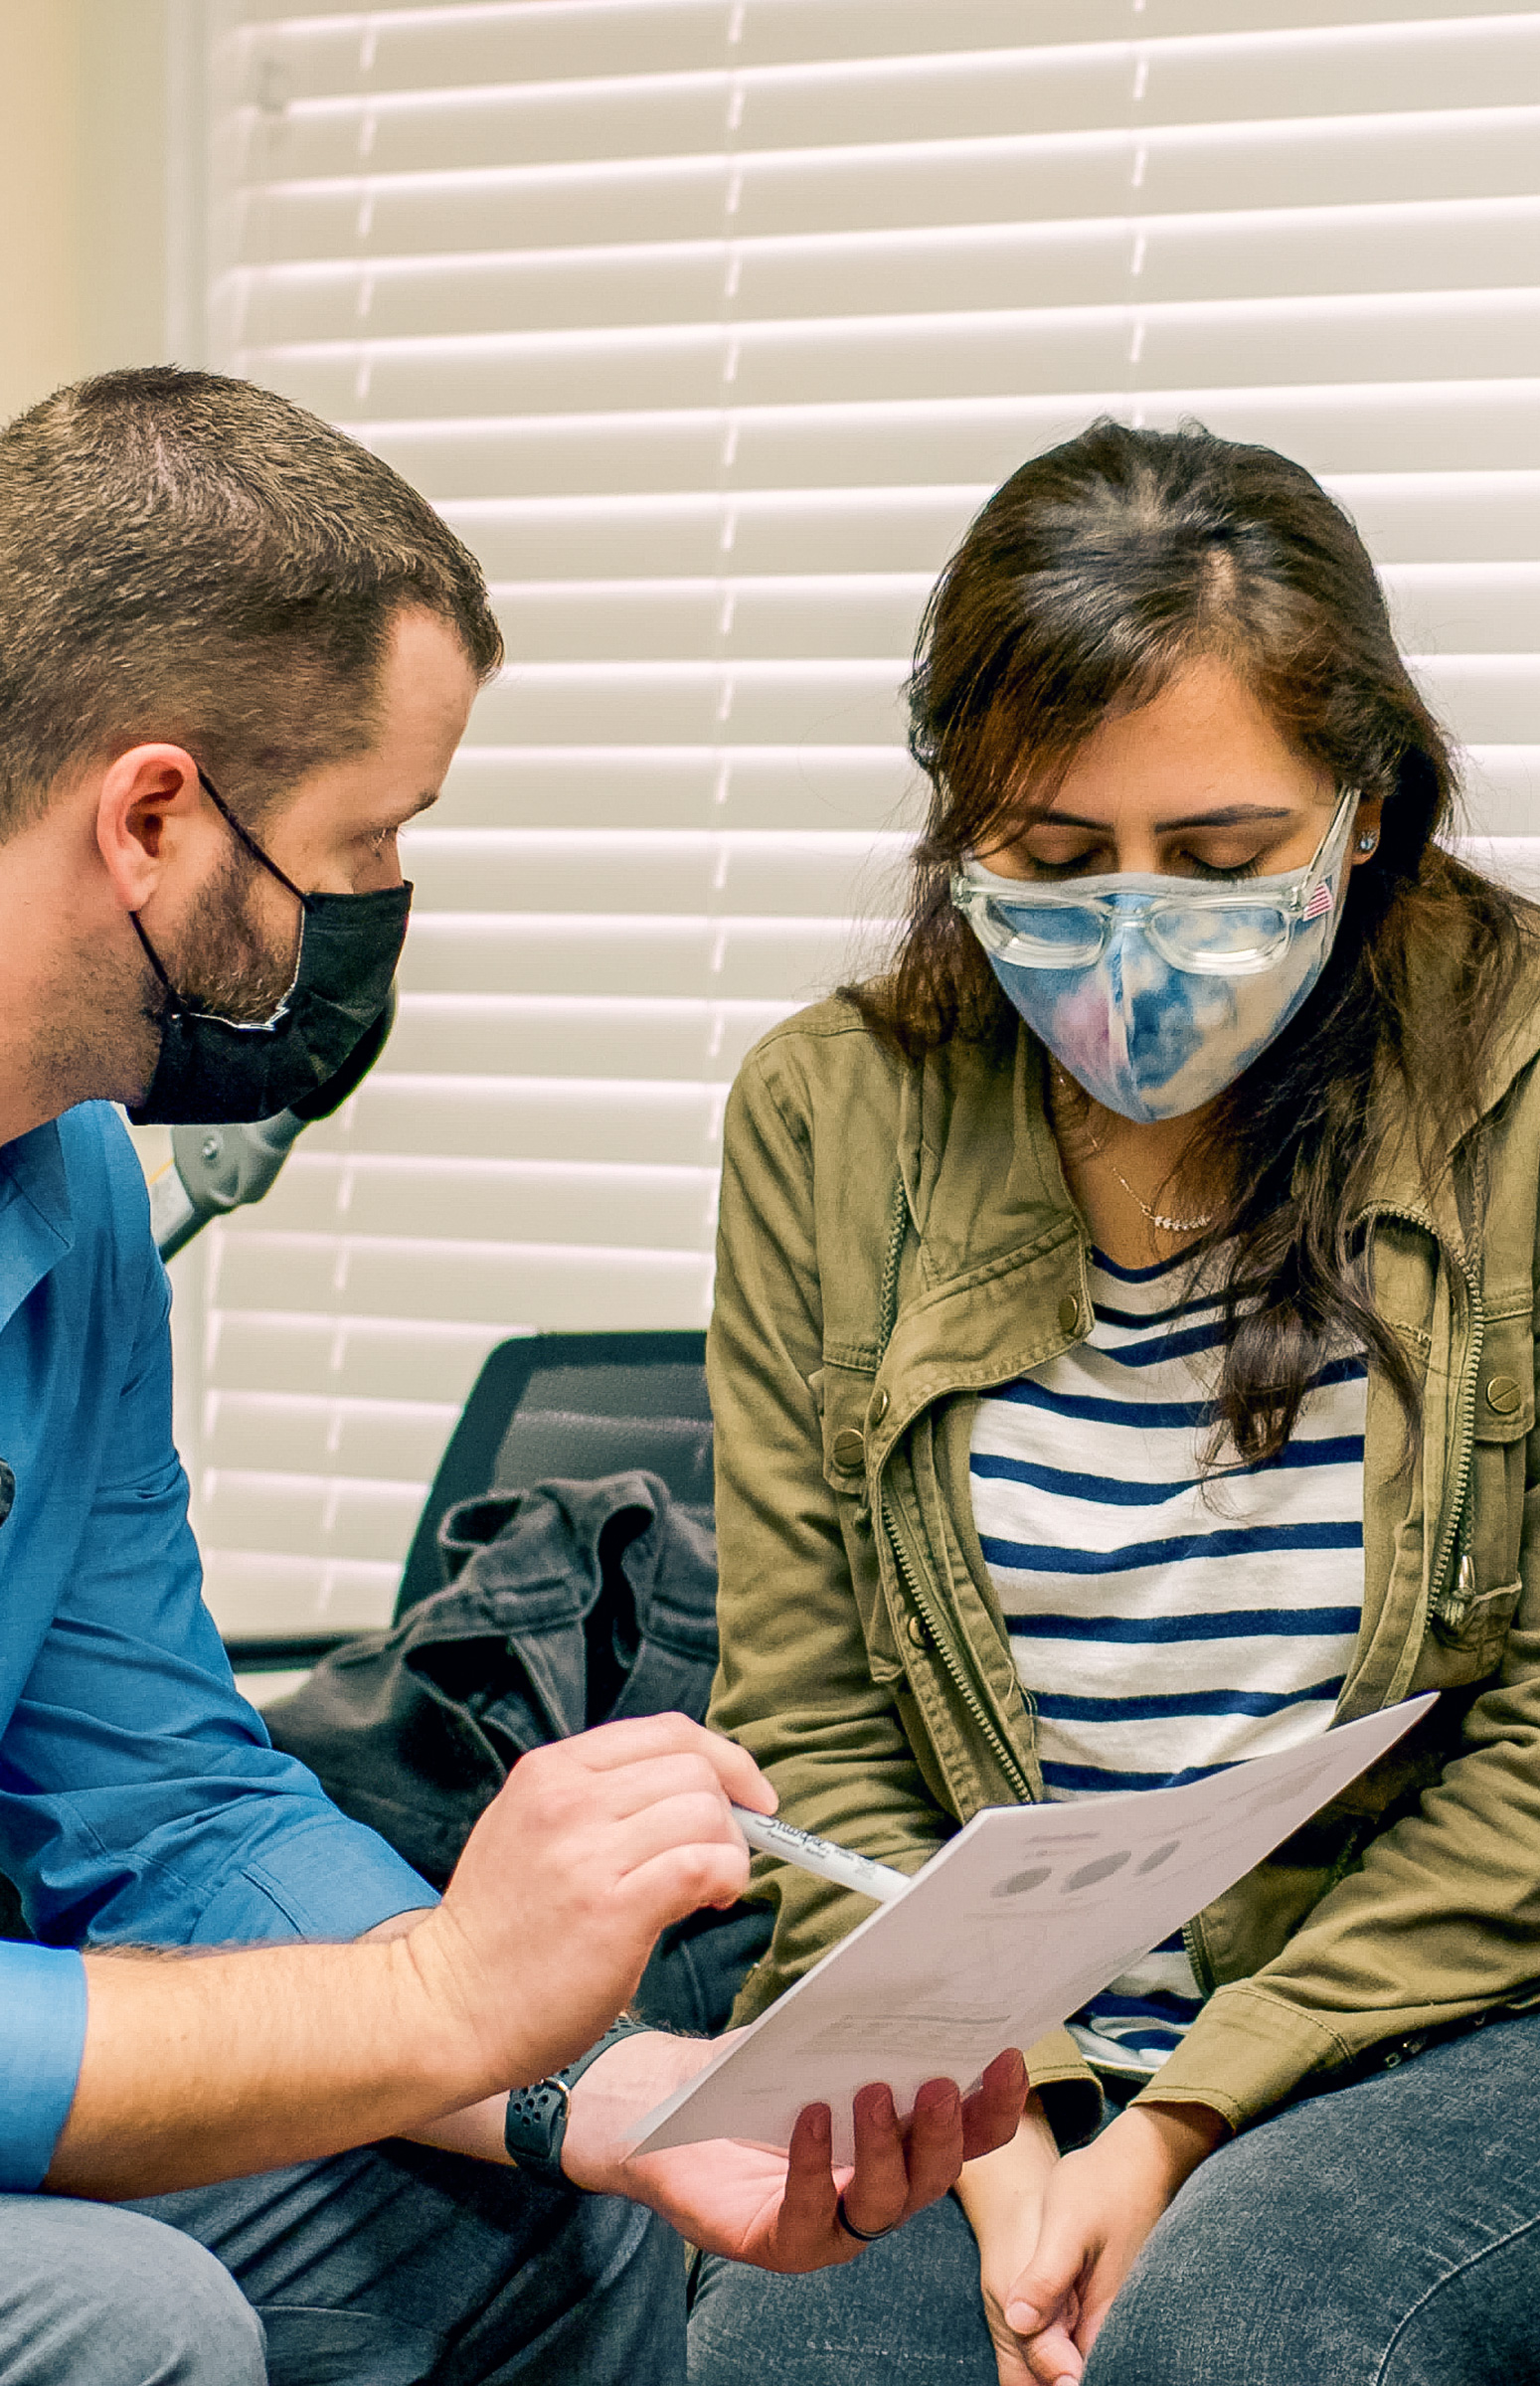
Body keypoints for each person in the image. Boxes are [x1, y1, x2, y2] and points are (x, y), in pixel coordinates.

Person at [684, 418, 1540, 2386]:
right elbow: (810, 1719)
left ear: (1365, 806)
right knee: (799, 2348)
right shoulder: (826, 1107)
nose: (1134, 925)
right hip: (1010, 2031)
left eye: (1219, 860)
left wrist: (1189, 2114)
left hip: (1514, 1989)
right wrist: (1008, 2120)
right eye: (1051, 860)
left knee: (1247, 2333)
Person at [0, 367, 1023, 2386]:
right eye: (366, 839)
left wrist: (590, 2083)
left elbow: (166, 1802)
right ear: (152, 817)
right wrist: (443, 1997)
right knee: (133, 2317)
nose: (380, 910)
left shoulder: (78, 1205)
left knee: (539, 2220)